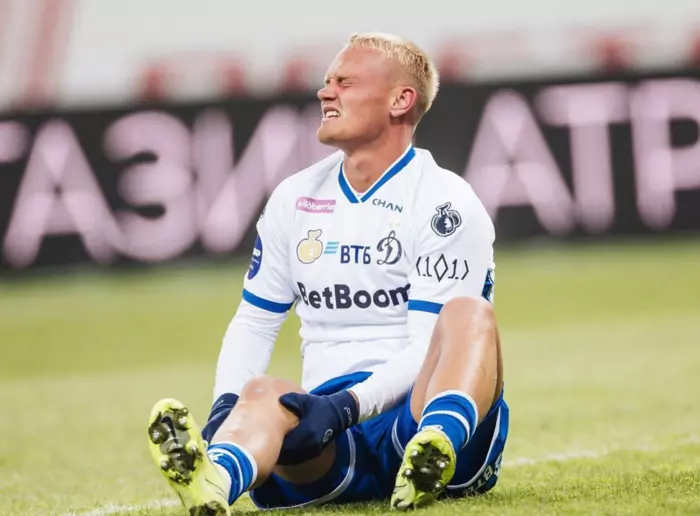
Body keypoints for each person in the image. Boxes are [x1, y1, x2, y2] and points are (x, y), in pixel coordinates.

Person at [146, 32, 508, 516]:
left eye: (344, 82)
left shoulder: (446, 202)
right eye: (326, 82)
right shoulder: (294, 198)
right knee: (261, 394)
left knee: (469, 314)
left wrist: (347, 406)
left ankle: (434, 449)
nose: (324, 92)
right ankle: (216, 479)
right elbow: (255, 322)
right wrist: (226, 409)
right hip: (331, 430)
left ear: (400, 100)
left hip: (418, 408)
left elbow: (428, 345)